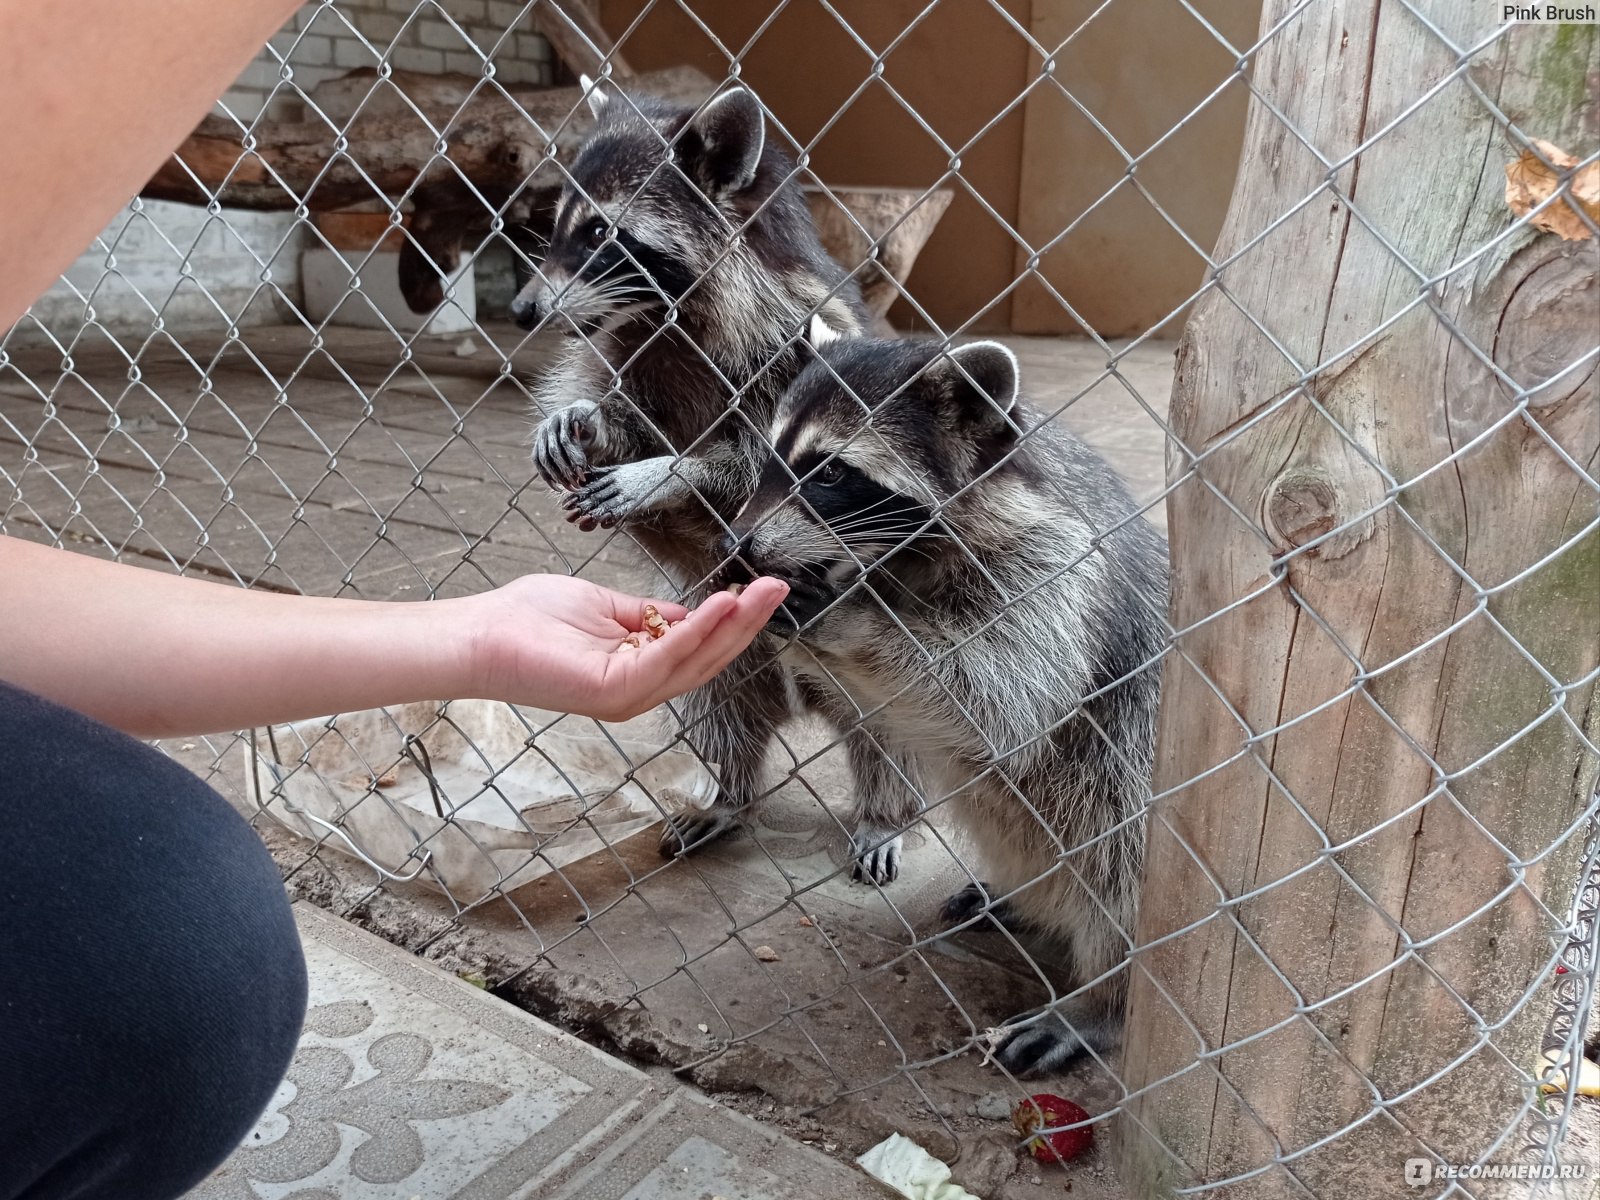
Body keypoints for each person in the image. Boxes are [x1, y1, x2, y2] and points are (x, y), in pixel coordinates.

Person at [0, 4, 788, 1198]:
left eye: (600, 251)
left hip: (772, 555)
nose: (545, 296)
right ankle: (733, 792)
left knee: (169, 945)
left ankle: (868, 812)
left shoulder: (773, 327)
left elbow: (762, 452)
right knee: (166, 945)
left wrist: (466, 636)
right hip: (689, 551)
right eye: (556, 241)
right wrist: (588, 435)